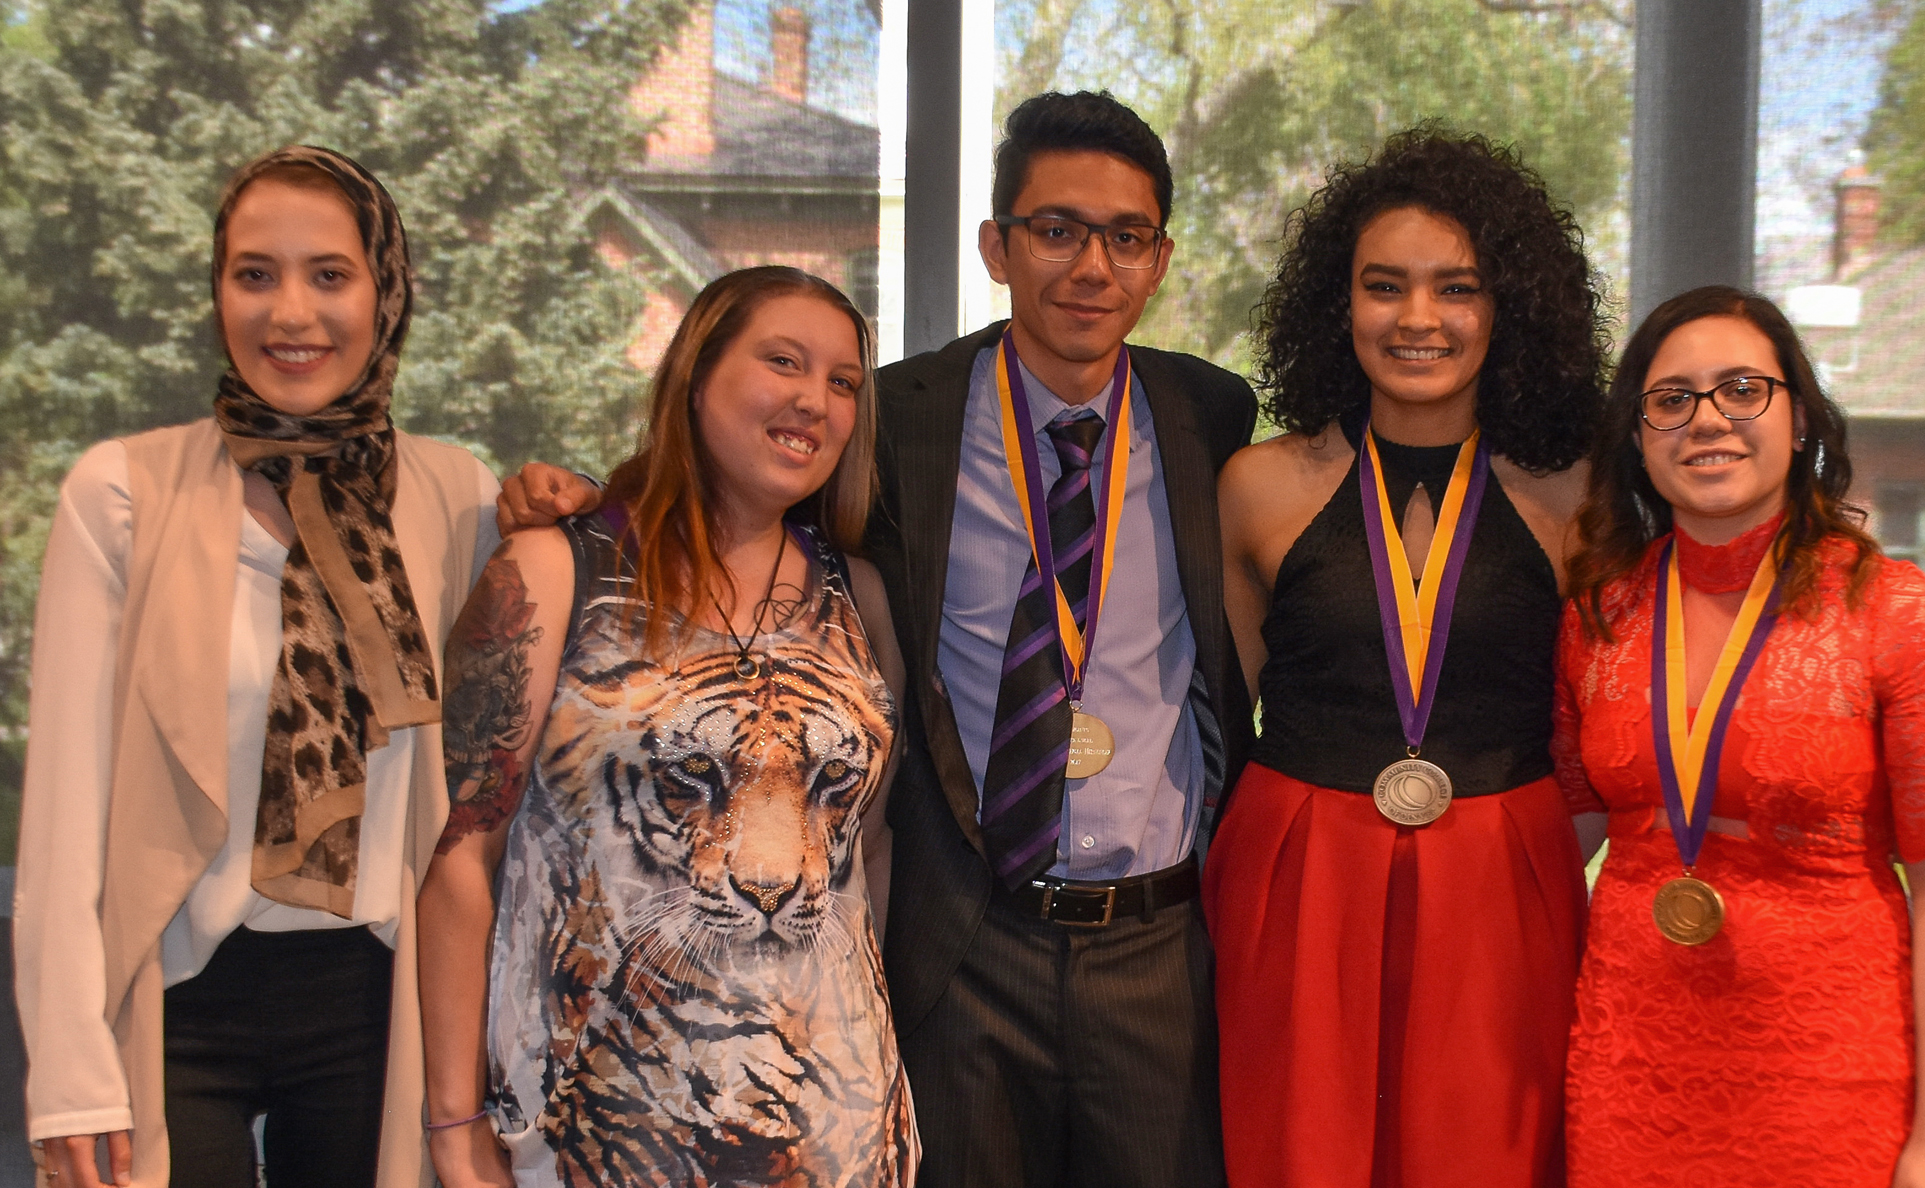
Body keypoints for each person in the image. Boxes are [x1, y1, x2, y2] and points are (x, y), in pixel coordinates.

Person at [498, 91, 1258, 1188]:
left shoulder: (1209, 415)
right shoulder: (893, 414)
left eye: (1123, 237)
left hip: (1155, 946)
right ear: (996, 247)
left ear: (1158, 261)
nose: (1089, 265)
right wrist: (577, 501)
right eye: (1054, 230)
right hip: (966, 938)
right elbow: (747, 497)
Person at [14, 146, 500, 1188]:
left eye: (329, 274)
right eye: (254, 273)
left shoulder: (458, 495)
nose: (291, 313)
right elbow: (62, 810)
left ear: (386, 292)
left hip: (377, 1003)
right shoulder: (122, 494)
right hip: (174, 997)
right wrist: (68, 1076)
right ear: (217, 291)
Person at [416, 265, 915, 1188]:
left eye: (844, 382)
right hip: (589, 1127)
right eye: (784, 362)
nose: (815, 400)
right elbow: (459, 857)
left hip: (828, 1139)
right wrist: (454, 1126)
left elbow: (863, 862)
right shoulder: (556, 569)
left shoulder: (861, 597)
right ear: (696, 376)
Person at [1201, 128, 1609, 1187]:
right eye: (1384, 287)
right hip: (1297, 874)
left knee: (1485, 1153)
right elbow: (1215, 715)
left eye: (1455, 289)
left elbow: (1609, 722)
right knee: (1294, 1153)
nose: (1417, 319)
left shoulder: (1576, 496)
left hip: (1500, 879)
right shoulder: (1257, 486)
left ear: (1505, 307)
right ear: (1339, 306)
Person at [1555, 285, 1925, 1188]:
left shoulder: (1894, 611)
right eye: (1671, 400)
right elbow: (1565, 843)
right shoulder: (1600, 614)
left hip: (1830, 1073)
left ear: (1799, 421)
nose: (1706, 420)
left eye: (1742, 389)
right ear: (1638, 439)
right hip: (1629, 1066)